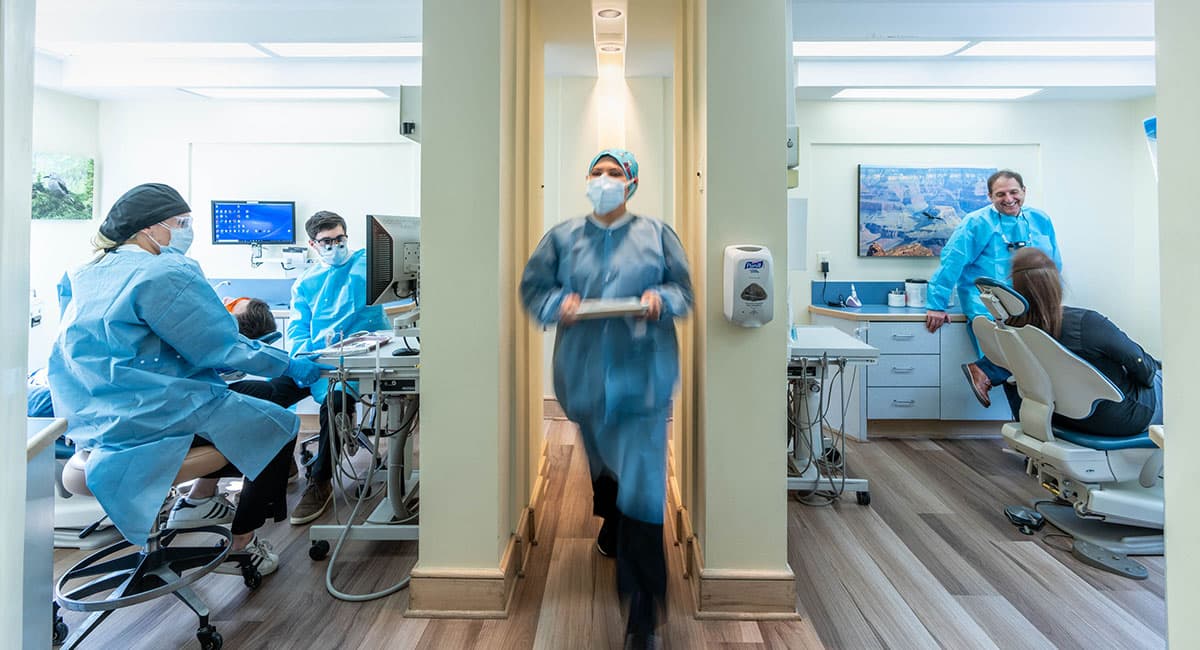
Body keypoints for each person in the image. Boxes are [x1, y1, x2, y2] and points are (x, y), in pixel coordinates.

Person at [48, 183, 332, 577]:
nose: (184, 230)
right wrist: (288, 363)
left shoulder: (82, 273)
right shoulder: (164, 270)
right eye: (180, 223)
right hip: (154, 414)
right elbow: (220, 345)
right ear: (149, 228)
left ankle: (198, 501)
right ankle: (241, 547)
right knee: (279, 426)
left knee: (247, 399)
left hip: (90, 420)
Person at [520, 149, 693, 648]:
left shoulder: (658, 235)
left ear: (632, 183)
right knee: (604, 466)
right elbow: (535, 290)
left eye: (614, 173)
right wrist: (560, 304)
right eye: (596, 172)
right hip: (585, 380)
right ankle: (611, 522)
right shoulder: (561, 238)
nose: (604, 180)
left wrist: (662, 301)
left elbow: (683, 290)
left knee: (642, 484)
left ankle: (643, 617)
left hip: (643, 380)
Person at [276, 210, 389, 525]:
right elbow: (298, 330)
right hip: (315, 360)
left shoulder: (370, 265)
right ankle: (280, 464)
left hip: (359, 361)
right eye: (327, 242)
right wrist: (300, 360)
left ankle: (320, 481)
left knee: (335, 401)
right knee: (264, 392)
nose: (335, 246)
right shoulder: (306, 283)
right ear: (313, 244)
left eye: (340, 239)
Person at [923, 169, 1062, 408]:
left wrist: (1053, 299)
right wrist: (936, 304)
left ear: (1024, 191)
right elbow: (952, 261)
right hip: (987, 302)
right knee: (1015, 365)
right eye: (1000, 194)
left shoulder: (1040, 219)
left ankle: (986, 373)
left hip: (1032, 301)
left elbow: (1053, 262)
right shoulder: (976, 223)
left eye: (1013, 192)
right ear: (990, 196)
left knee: (1036, 363)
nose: (1008, 199)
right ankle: (989, 377)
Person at [1005, 248, 1162, 436]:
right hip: (1120, 416)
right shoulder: (1087, 324)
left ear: (1015, 286)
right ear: (1055, 284)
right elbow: (1143, 368)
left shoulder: (1014, 330)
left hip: (1059, 415)